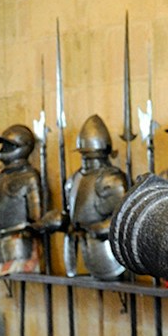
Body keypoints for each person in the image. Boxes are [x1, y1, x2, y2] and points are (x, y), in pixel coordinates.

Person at [63, 115, 131, 279]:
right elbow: (71, 215)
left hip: (105, 249)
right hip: (77, 247)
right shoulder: (74, 179)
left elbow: (124, 218)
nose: (88, 157)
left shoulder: (111, 179)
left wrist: (103, 227)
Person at [0, 124, 46, 275]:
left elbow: (36, 216)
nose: (4, 150)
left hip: (21, 245)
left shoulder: (29, 176)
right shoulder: (3, 176)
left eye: (9, 146)